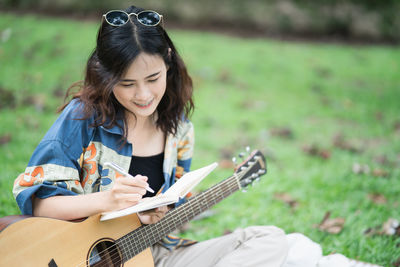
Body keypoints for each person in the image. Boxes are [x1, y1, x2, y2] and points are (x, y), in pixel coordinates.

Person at [12, 5, 381, 267]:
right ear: (105, 77)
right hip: (81, 256)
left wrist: (158, 213)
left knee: (269, 239)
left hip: (152, 256)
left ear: (168, 62)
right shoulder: (82, 118)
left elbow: (167, 210)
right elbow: (38, 203)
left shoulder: (178, 129)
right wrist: (105, 201)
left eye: (153, 79)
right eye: (127, 84)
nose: (143, 95)